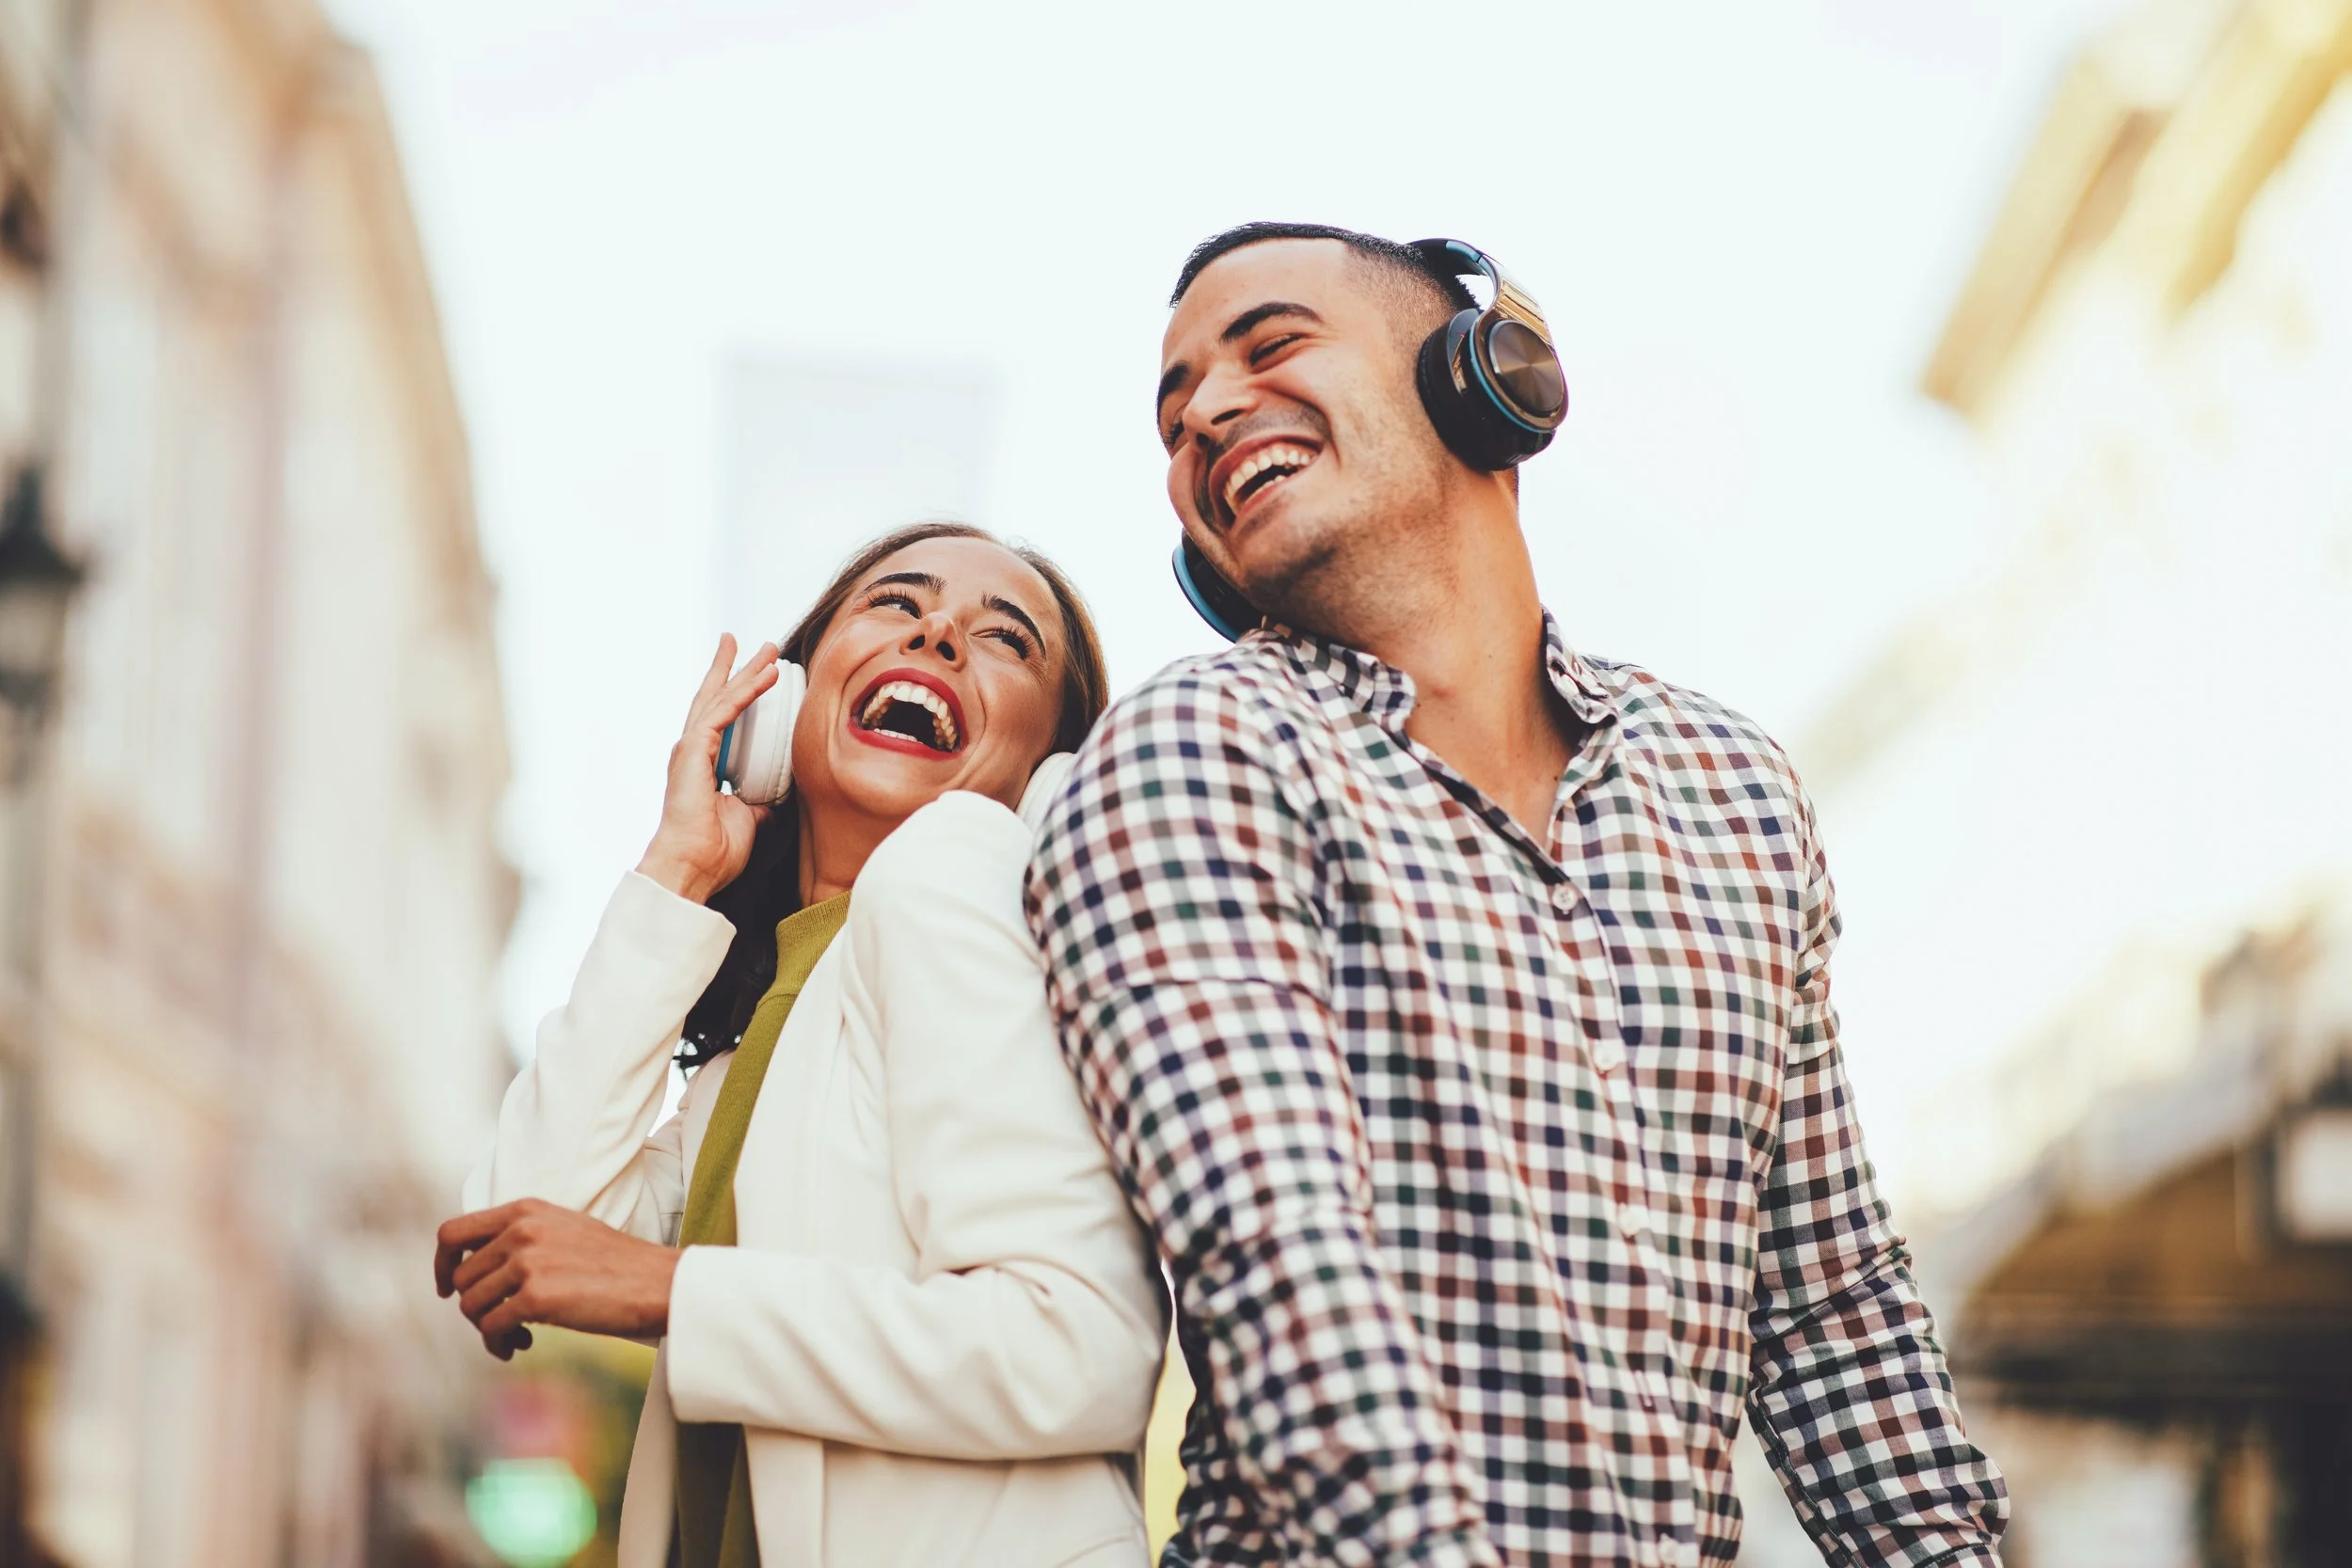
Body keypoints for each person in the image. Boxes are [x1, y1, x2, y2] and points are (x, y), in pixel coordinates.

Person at [1023, 224, 2010, 1568]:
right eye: (1174, 408)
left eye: (1270, 345)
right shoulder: (1194, 747)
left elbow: (1828, 1309)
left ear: (1483, 378)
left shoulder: (1730, 785)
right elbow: (1280, 1263)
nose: (1202, 413)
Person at [435, 522, 1166, 1568]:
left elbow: (1077, 1345)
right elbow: (523, 1215)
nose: (939, 634)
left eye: (1005, 637)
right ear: (784, 706)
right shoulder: (759, 1054)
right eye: (897, 603)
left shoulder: (953, 867)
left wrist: (668, 1286)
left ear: (1050, 773)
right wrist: (679, 868)